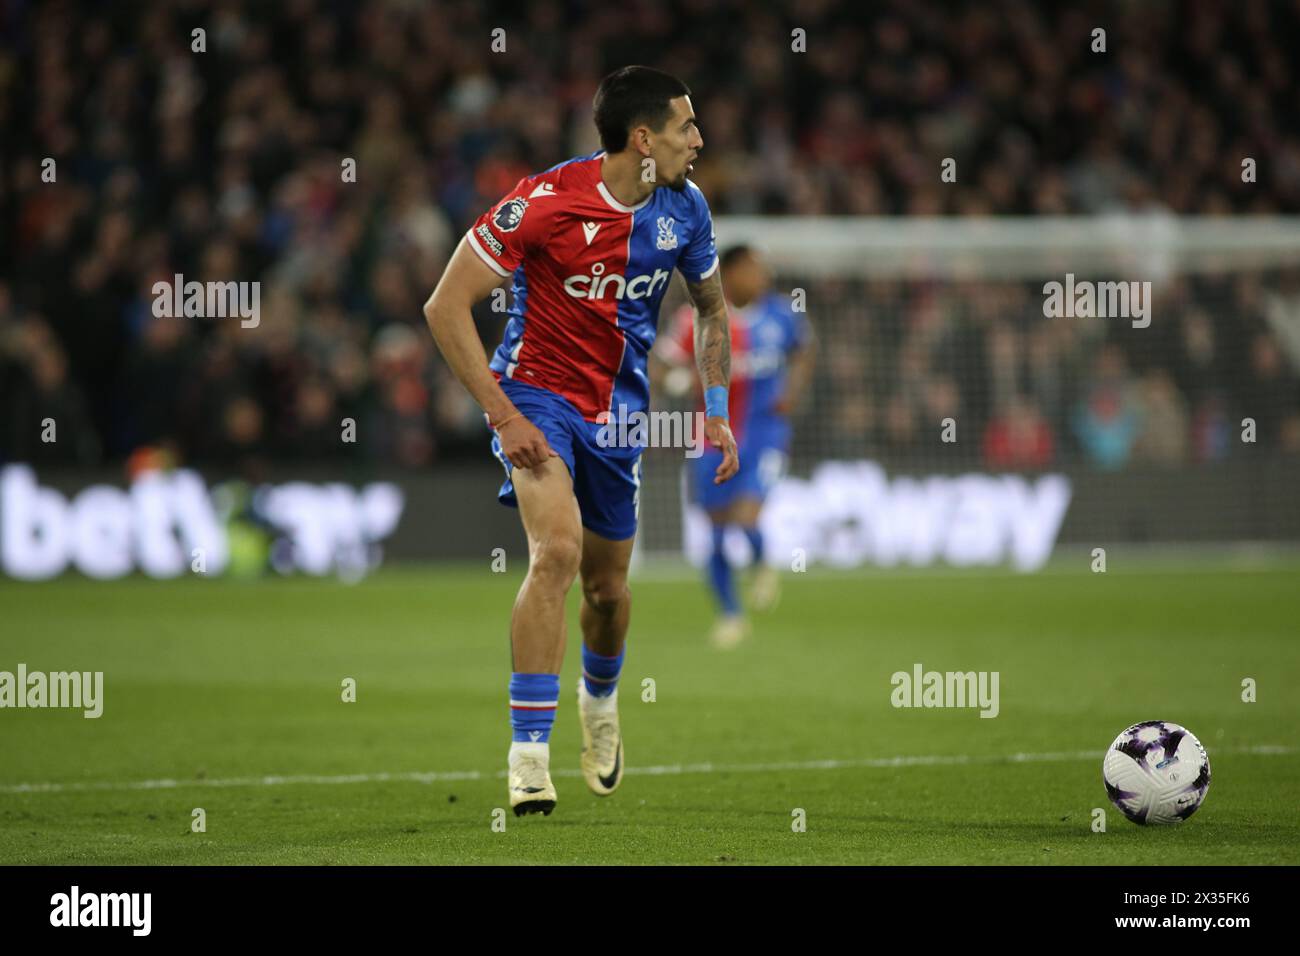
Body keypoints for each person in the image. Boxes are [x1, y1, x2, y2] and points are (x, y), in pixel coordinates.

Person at [423, 66, 738, 816]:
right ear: (643, 139)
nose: (698, 140)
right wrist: (504, 414)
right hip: (536, 395)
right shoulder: (542, 201)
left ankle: (601, 702)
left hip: (619, 418)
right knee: (556, 552)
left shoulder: (685, 210)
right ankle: (528, 758)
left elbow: (715, 311)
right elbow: (445, 305)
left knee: (606, 590)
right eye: (685, 127)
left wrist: (717, 407)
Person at [653, 245, 815, 647]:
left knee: (746, 518)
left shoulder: (781, 314)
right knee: (717, 532)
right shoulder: (698, 319)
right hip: (710, 437)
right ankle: (731, 615)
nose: (761, 276)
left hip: (765, 433)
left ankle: (761, 564)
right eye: (752, 269)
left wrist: (793, 391)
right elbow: (659, 365)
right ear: (732, 273)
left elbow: (805, 350)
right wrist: (678, 382)